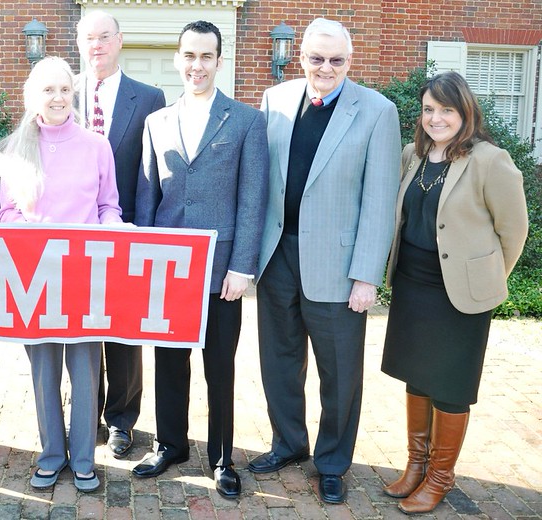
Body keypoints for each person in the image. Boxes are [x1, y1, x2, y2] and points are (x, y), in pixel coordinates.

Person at [252, 17, 401, 504]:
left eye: (337, 60)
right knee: (279, 361)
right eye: (317, 58)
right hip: (277, 255)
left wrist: (366, 276)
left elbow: (380, 202)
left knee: (338, 371)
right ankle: (288, 444)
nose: (326, 68)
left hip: (338, 267)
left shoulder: (377, 112)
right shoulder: (275, 101)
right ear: (301, 57)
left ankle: (333, 461)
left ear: (349, 62)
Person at [132, 20, 269, 499]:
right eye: (189, 56)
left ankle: (221, 458)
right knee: (168, 363)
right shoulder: (157, 121)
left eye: (206, 56)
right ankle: (170, 444)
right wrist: (144, 264)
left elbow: (254, 200)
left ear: (218, 60)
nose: (196, 65)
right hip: (168, 267)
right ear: (178, 58)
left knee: (219, 367)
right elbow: (146, 197)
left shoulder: (247, 121)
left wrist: (242, 266)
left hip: (220, 269)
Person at [380, 71, 528, 514]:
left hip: (460, 294)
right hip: (413, 283)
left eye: (446, 109)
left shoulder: (489, 159)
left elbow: (513, 230)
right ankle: (415, 466)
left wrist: (485, 281)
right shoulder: (413, 156)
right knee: (417, 375)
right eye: (429, 109)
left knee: (451, 385)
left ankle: (440, 478)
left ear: (465, 112)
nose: (436, 118)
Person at [0, 56, 123, 492]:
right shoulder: (15, 149)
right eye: (48, 90)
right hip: (37, 278)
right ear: (34, 96)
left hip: (87, 276)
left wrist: (113, 229)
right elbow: (6, 212)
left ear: (75, 93)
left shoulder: (96, 146)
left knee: (86, 371)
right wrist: (27, 228)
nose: (57, 97)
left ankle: (84, 458)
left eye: (65, 89)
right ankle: (51, 454)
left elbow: (109, 207)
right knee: (44, 370)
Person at [75, 9, 166, 458]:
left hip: (126, 231)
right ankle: (85, 413)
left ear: (120, 40)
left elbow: (152, 173)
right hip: (69, 238)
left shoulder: (149, 97)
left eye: (105, 37)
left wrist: (143, 233)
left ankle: (122, 420)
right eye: (89, 38)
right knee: (79, 328)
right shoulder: (59, 93)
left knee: (124, 331)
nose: (97, 46)